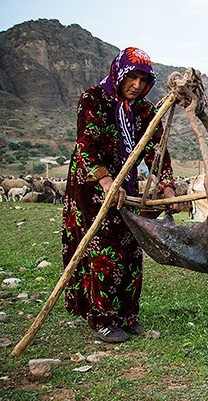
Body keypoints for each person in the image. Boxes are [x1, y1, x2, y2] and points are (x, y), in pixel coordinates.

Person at [62, 47, 180, 344]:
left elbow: (157, 149)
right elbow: (86, 142)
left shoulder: (145, 111)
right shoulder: (93, 99)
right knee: (102, 251)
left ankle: (127, 317)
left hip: (126, 188)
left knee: (131, 249)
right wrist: (104, 180)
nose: (137, 85)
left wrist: (167, 185)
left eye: (143, 80)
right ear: (120, 73)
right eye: (132, 77)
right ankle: (102, 319)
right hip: (90, 188)